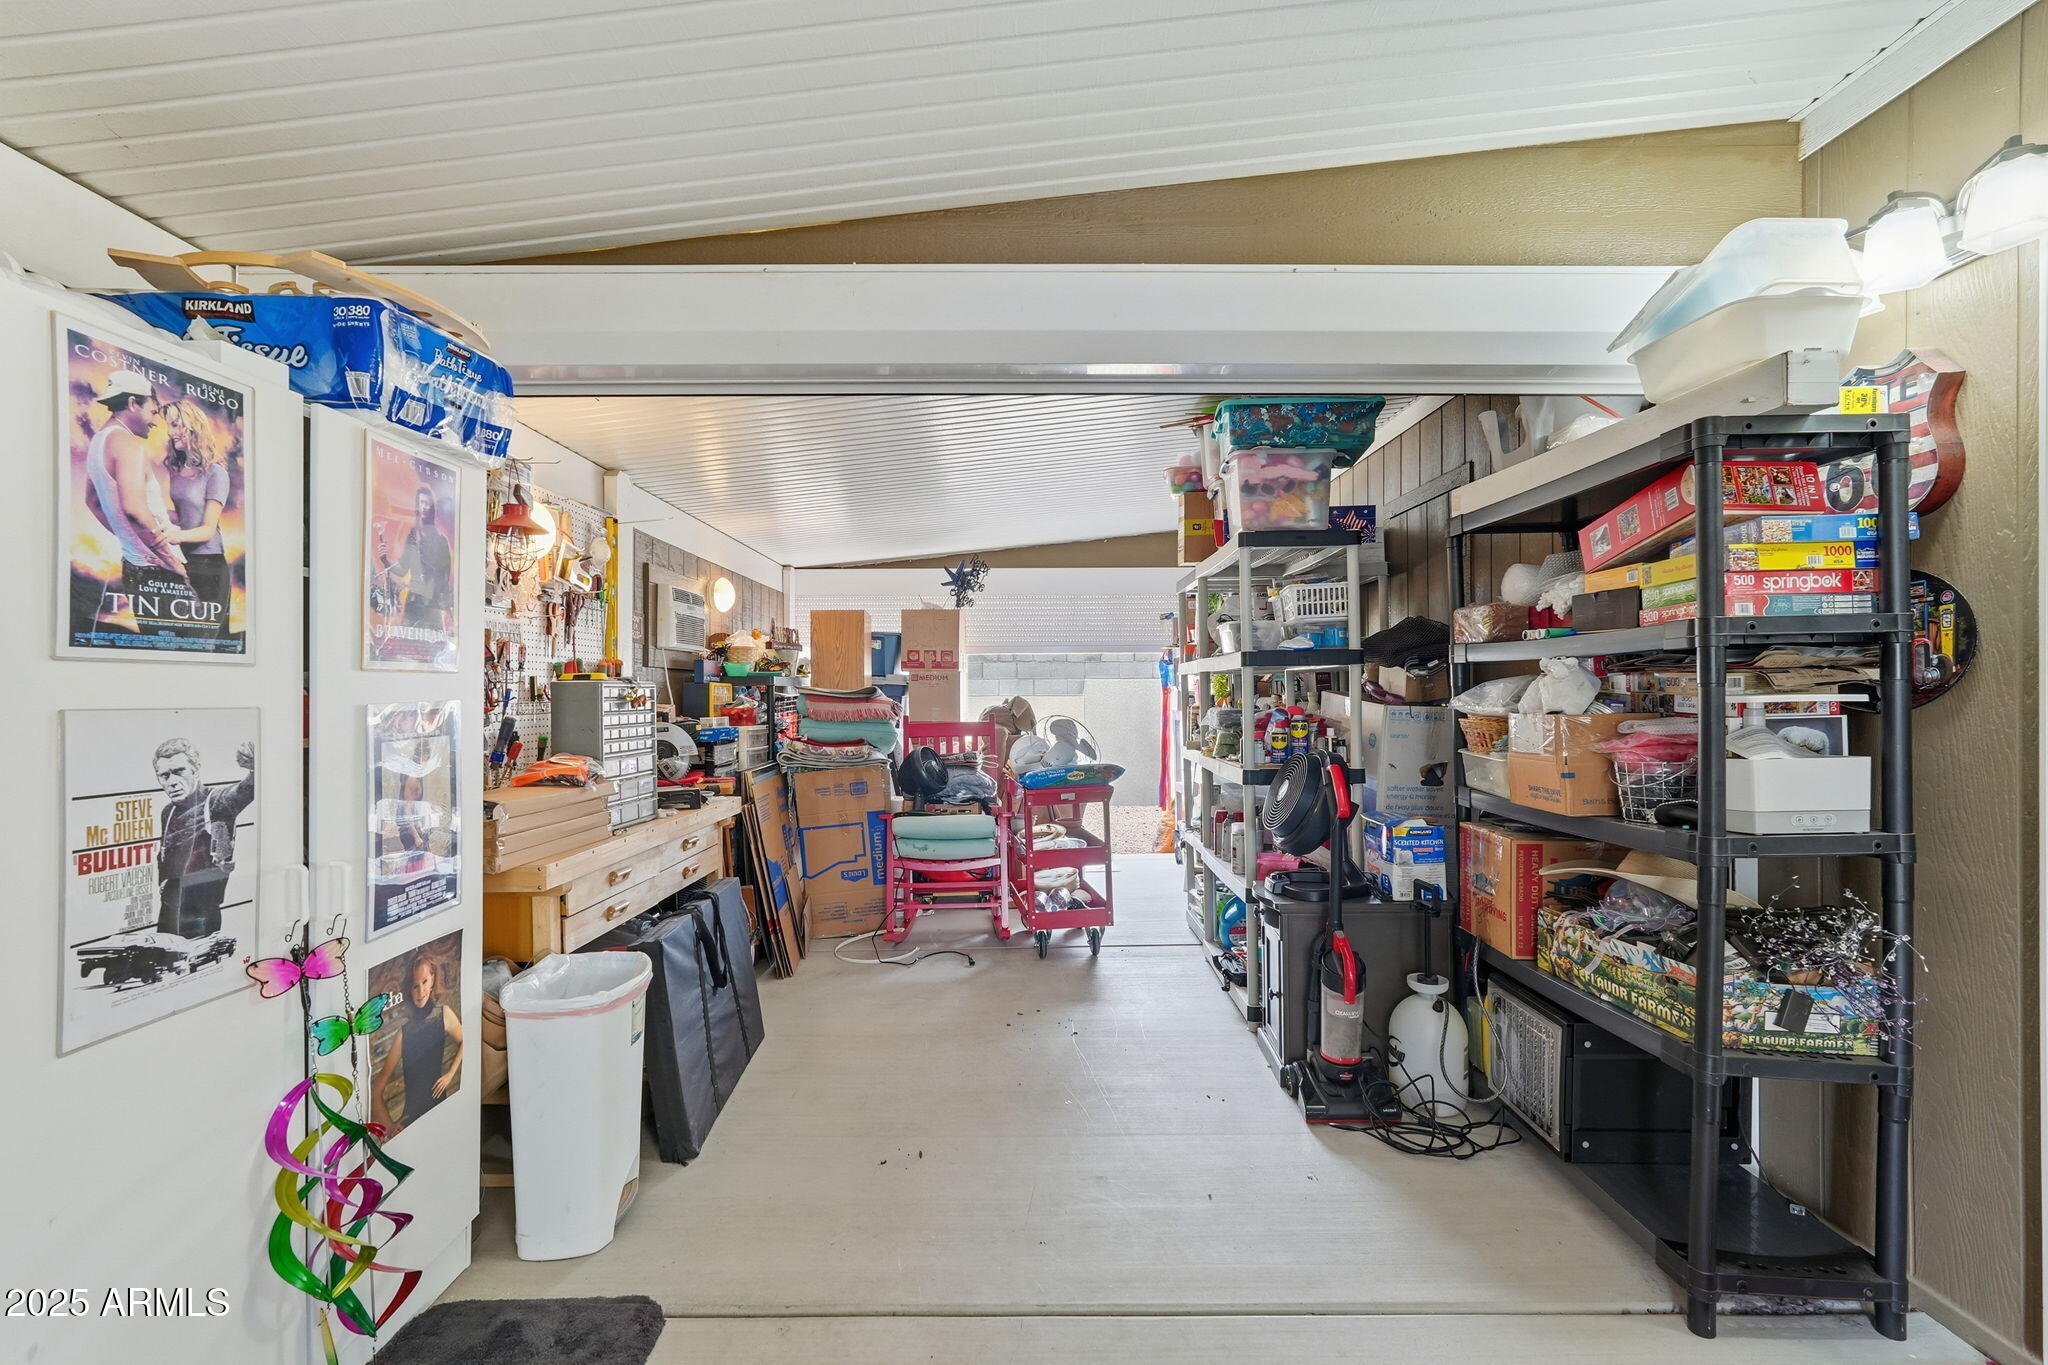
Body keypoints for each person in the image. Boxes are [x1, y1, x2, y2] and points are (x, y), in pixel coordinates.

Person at [82, 370, 188, 624]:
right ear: (132, 403)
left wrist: (132, 541)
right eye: (153, 412)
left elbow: (93, 502)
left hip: (134, 566)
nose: (155, 422)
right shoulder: (128, 443)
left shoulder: (99, 441)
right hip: (160, 570)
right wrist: (172, 563)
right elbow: (134, 509)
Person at [152, 736, 255, 940]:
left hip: (200, 917)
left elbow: (246, 790)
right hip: (168, 913)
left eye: (179, 771)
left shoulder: (216, 801)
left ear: (195, 770)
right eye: (164, 776)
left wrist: (255, 768)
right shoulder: (168, 812)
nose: (172, 782)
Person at [160, 400, 232, 634]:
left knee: (211, 638)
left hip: (209, 565)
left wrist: (176, 535)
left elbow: (207, 529)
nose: (171, 433)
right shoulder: (176, 469)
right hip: (184, 562)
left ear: (192, 425)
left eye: (176, 425)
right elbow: (183, 516)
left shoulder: (216, 473)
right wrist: (156, 514)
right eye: (169, 426)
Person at [373, 956, 463, 1132]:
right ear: (409, 988)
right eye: (415, 985)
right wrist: (390, 1127)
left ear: (433, 980)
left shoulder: (444, 1014)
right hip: (411, 1118)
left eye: (425, 982)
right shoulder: (403, 1034)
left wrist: (450, 1074)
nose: (420, 991)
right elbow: (377, 1090)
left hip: (440, 1107)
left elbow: (465, 1042)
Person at [394, 480, 454, 635]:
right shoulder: (412, 536)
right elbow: (402, 569)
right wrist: (383, 558)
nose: (425, 507)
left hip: (432, 605)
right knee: (405, 644)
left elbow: (444, 577)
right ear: (417, 505)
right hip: (413, 603)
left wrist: (445, 607)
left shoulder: (440, 540)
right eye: (422, 503)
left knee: (435, 645)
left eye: (428, 503)